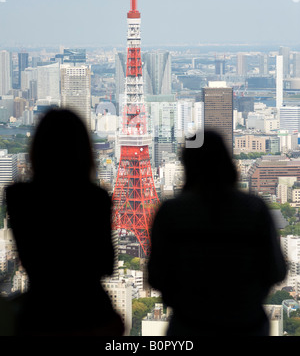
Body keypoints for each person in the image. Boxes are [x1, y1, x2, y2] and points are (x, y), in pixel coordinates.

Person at [148, 130, 287, 336]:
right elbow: (277, 271)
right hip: (247, 325)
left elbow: (156, 277)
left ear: (187, 165)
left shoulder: (172, 212)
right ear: (226, 162)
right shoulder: (254, 209)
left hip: (189, 326)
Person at [5, 108, 124, 336]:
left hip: (40, 314)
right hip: (91, 314)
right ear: (83, 150)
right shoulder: (95, 198)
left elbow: (28, 259)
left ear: (37, 149)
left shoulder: (19, 197)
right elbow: (106, 265)